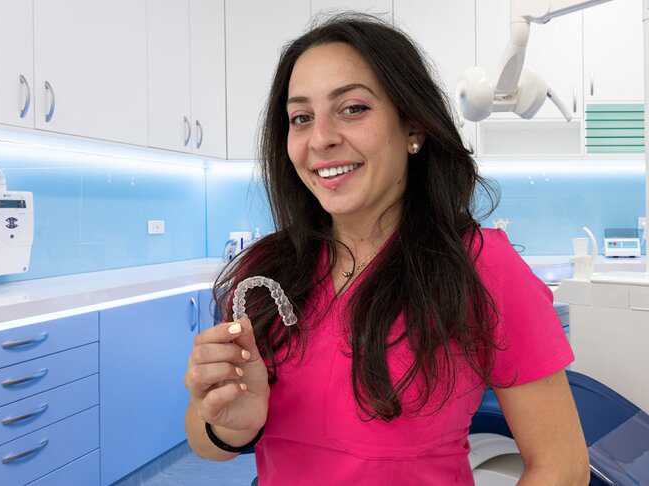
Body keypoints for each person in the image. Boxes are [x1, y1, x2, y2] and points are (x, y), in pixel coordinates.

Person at [184, 13, 589, 485]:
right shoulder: (266, 273)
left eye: (352, 108)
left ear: (412, 126)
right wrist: (233, 424)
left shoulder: (481, 267)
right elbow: (202, 436)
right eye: (301, 117)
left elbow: (561, 466)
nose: (321, 138)